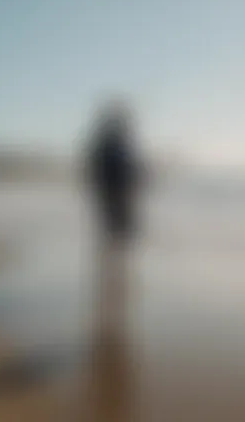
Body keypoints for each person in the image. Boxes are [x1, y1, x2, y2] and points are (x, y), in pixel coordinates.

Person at [85, 100, 143, 340]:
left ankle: (114, 286)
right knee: (117, 244)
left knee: (114, 244)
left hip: (111, 201)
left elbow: (93, 174)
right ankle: (115, 288)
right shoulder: (115, 145)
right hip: (117, 201)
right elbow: (130, 173)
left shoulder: (105, 144)